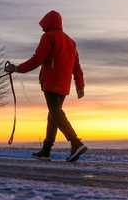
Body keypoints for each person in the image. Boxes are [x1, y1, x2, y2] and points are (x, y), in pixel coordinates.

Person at [5, 10, 87, 162]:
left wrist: (17, 68)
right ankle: (46, 150)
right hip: (64, 85)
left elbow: (37, 59)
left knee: (55, 113)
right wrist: (80, 86)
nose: (42, 29)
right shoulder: (70, 42)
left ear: (49, 23)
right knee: (53, 115)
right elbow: (77, 67)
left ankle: (75, 142)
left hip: (51, 82)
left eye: (44, 25)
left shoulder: (48, 37)